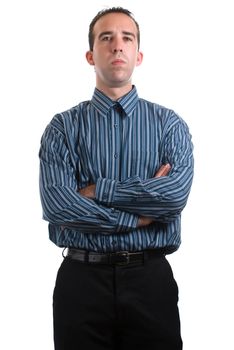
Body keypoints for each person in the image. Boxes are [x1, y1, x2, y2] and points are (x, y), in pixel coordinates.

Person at [39, 7, 194, 350]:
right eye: (106, 38)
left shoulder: (168, 125)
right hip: (81, 282)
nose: (117, 46)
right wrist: (139, 217)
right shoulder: (63, 128)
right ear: (90, 54)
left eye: (127, 38)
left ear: (138, 55)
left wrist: (99, 190)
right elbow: (59, 206)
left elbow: (173, 196)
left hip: (150, 280)